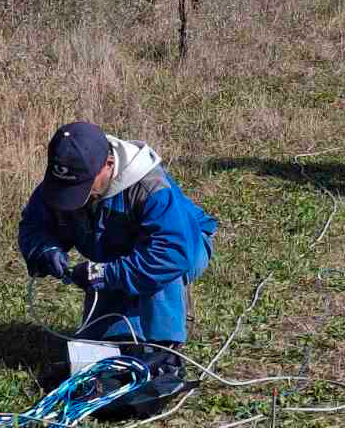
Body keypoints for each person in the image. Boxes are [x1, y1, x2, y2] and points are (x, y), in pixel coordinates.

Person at [18, 122, 216, 356]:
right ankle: (126, 327)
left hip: (185, 246)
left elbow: (171, 254)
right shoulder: (64, 178)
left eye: (82, 187)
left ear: (108, 165)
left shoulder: (150, 187)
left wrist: (102, 274)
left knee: (158, 273)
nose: (74, 196)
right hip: (113, 253)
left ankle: (165, 348)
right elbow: (33, 225)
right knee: (101, 349)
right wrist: (45, 250)